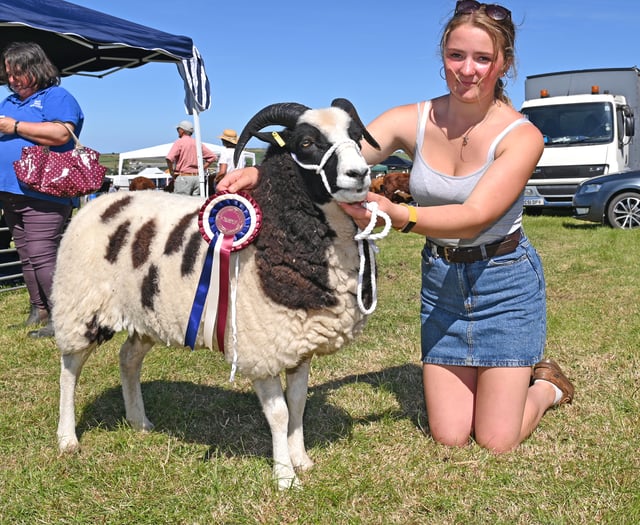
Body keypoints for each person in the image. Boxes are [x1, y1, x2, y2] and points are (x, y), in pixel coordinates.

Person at [219, 1, 574, 453]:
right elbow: (334, 157)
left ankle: (547, 386)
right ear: (442, 55)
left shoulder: (523, 136)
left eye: (483, 59)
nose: (468, 70)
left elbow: (476, 216)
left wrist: (398, 215)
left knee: (495, 440)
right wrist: (265, 173)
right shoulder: (412, 118)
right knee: (449, 436)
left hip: (504, 282)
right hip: (442, 282)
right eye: (456, 55)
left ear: (505, 63)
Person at [0, 41, 84, 338]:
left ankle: (62, 316)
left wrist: (15, 127)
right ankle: (39, 308)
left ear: (36, 69)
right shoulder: (9, 102)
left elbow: (61, 133)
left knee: (41, 253)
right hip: (11, 191)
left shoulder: (56, 96)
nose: (12, 80)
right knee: (26, 253)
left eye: (18, 73)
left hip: (44, 191)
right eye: (9, 74)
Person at [165, 120, 217, 196]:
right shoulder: (197, 143)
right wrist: (202, 168)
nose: (177, 131)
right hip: (197, 178)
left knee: (181, 203)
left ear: (181, 130)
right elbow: (212, 157)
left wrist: (172, 172)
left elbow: (169, 158)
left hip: (184, 177)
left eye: (178, 129)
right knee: (195, 204)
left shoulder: (179, 142)